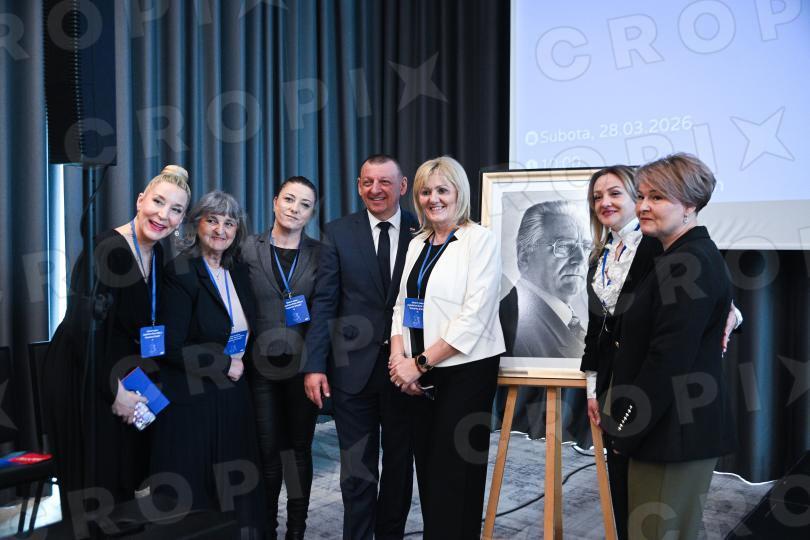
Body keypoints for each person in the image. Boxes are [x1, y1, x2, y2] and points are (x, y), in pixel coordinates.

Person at [580, 165, 743, 539]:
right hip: (647, 414)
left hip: (670, 426)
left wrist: (626, 427)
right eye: (641, 196)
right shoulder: (673, 253)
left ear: (689, 204)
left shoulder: (683, 258)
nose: (643, 206)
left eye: (656, 197)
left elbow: (667, 360)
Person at [42, 165, 190, 516]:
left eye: (175, 210)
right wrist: (115, 391)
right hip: (84, 372)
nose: (163, 215)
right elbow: (82, 331)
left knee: (125, 480)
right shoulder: (107, 249)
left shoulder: (157, 253)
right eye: (158, 202)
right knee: (95, 485)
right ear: (140, 201)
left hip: (121, 368)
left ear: (182, 219)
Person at [303, 154, 419, 540]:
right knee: (357, 471)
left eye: (385, 182)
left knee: (399, 468)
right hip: (352, 372)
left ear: (402, 186)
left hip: (405, 370)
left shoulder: (422, 231)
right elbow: (324, 303)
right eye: (368, 182)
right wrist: (314, 365)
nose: (375, 189)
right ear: (358, 186)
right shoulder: (338, 232)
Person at [389, 156, 505, 539]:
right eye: (425, 191)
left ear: (459, 193)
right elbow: (402, 305)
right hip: (419, 372)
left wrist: (419, 364)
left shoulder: (480, 240)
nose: (433, 199)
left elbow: (476, 315)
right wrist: (398, 359)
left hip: (466, 372)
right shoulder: (417, 242)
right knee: (428, 469)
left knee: (456, 474)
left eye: (442, 190)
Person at [151, 190, 264, 538]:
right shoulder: (180, 271)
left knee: (236, 490)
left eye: (229, 223)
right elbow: (169, 346)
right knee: (198, 499)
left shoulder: (238, 270)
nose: (220, 230)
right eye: (212, 220)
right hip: (193, 399)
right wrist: (223, 363)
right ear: (196, 224)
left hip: (233, 395)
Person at [241, 176, 321, 539]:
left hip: (302, 367)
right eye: (289, 200)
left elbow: (325, 313)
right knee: (268, 453)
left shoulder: (321, 254)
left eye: (304, 204)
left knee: (298, 451)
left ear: (311, 213)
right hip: (259, 366)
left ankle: (296, 532)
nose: (294, 209)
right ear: (275, 202)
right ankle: (267, 529)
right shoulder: (246, 249)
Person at [498, 200, 592, 444]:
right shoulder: (514, 323)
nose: (580, 258)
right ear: (524, 256)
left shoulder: (571, 321)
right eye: (564, 246)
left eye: (585, 246)